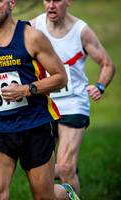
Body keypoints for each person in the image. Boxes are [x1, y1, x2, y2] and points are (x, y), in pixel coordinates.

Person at [0, 0, 81, 199]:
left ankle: (66, 192)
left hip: (35, 124)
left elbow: (60, 77)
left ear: (11, 3)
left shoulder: (32, 37)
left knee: (43, 196)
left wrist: (26, 89)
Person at [31, 0, 115, 198]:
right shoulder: (35, 26)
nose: (50, 5)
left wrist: (100, 86)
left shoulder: (81, 31)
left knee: (66, 167)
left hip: (73, 103)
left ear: (68, 1)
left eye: (56, 0)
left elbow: (107, 64)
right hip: (44, 105)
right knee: (45, 174)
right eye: (47, 0)